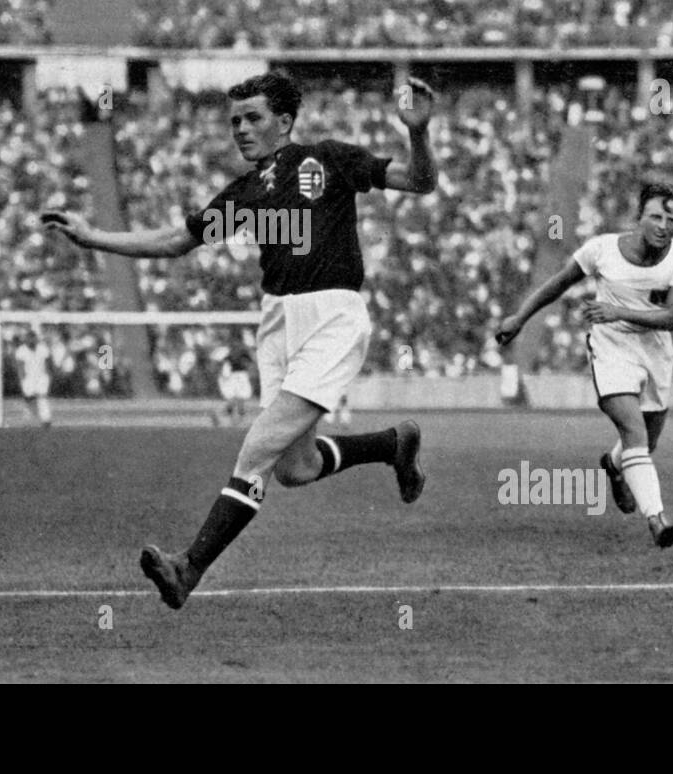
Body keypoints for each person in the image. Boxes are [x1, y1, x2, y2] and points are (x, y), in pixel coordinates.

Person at [47, 71, 437, 608]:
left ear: (284, 121)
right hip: (277, 323)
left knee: (254, 450)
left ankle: (189, 567)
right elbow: (177, 241)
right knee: (293, 467)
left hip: (332, 317)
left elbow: (419, 182)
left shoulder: (328, 159)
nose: (241, 129)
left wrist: (417, 132)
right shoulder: (248, 191)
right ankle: (394, 444)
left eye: (253, 118)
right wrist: (93, 236)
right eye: (234, 121)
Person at [495, 183, 673, 548]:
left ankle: (614, 465)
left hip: (655, 350)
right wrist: (519, 318)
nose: (663, 225)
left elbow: (671, 319)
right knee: (634, 431)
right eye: (656, 216)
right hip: (611, 347)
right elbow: (557, 284)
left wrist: (616, 309)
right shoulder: (602, 249)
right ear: (639, 217)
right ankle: (656, 517)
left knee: (645, 442)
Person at [16, 328, 52, 428]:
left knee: (42, 398)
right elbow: (20, 367)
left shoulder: (43, 348)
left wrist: (48, 378)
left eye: (33, 338)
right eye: (29, 338)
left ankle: (46, 420)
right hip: (28, 378)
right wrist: (22, 382)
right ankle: (27, 421)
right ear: (26, 339)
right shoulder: (21, 350)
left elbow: (47, 365)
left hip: (41, 377)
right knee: (29, 399)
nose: (31, 340)